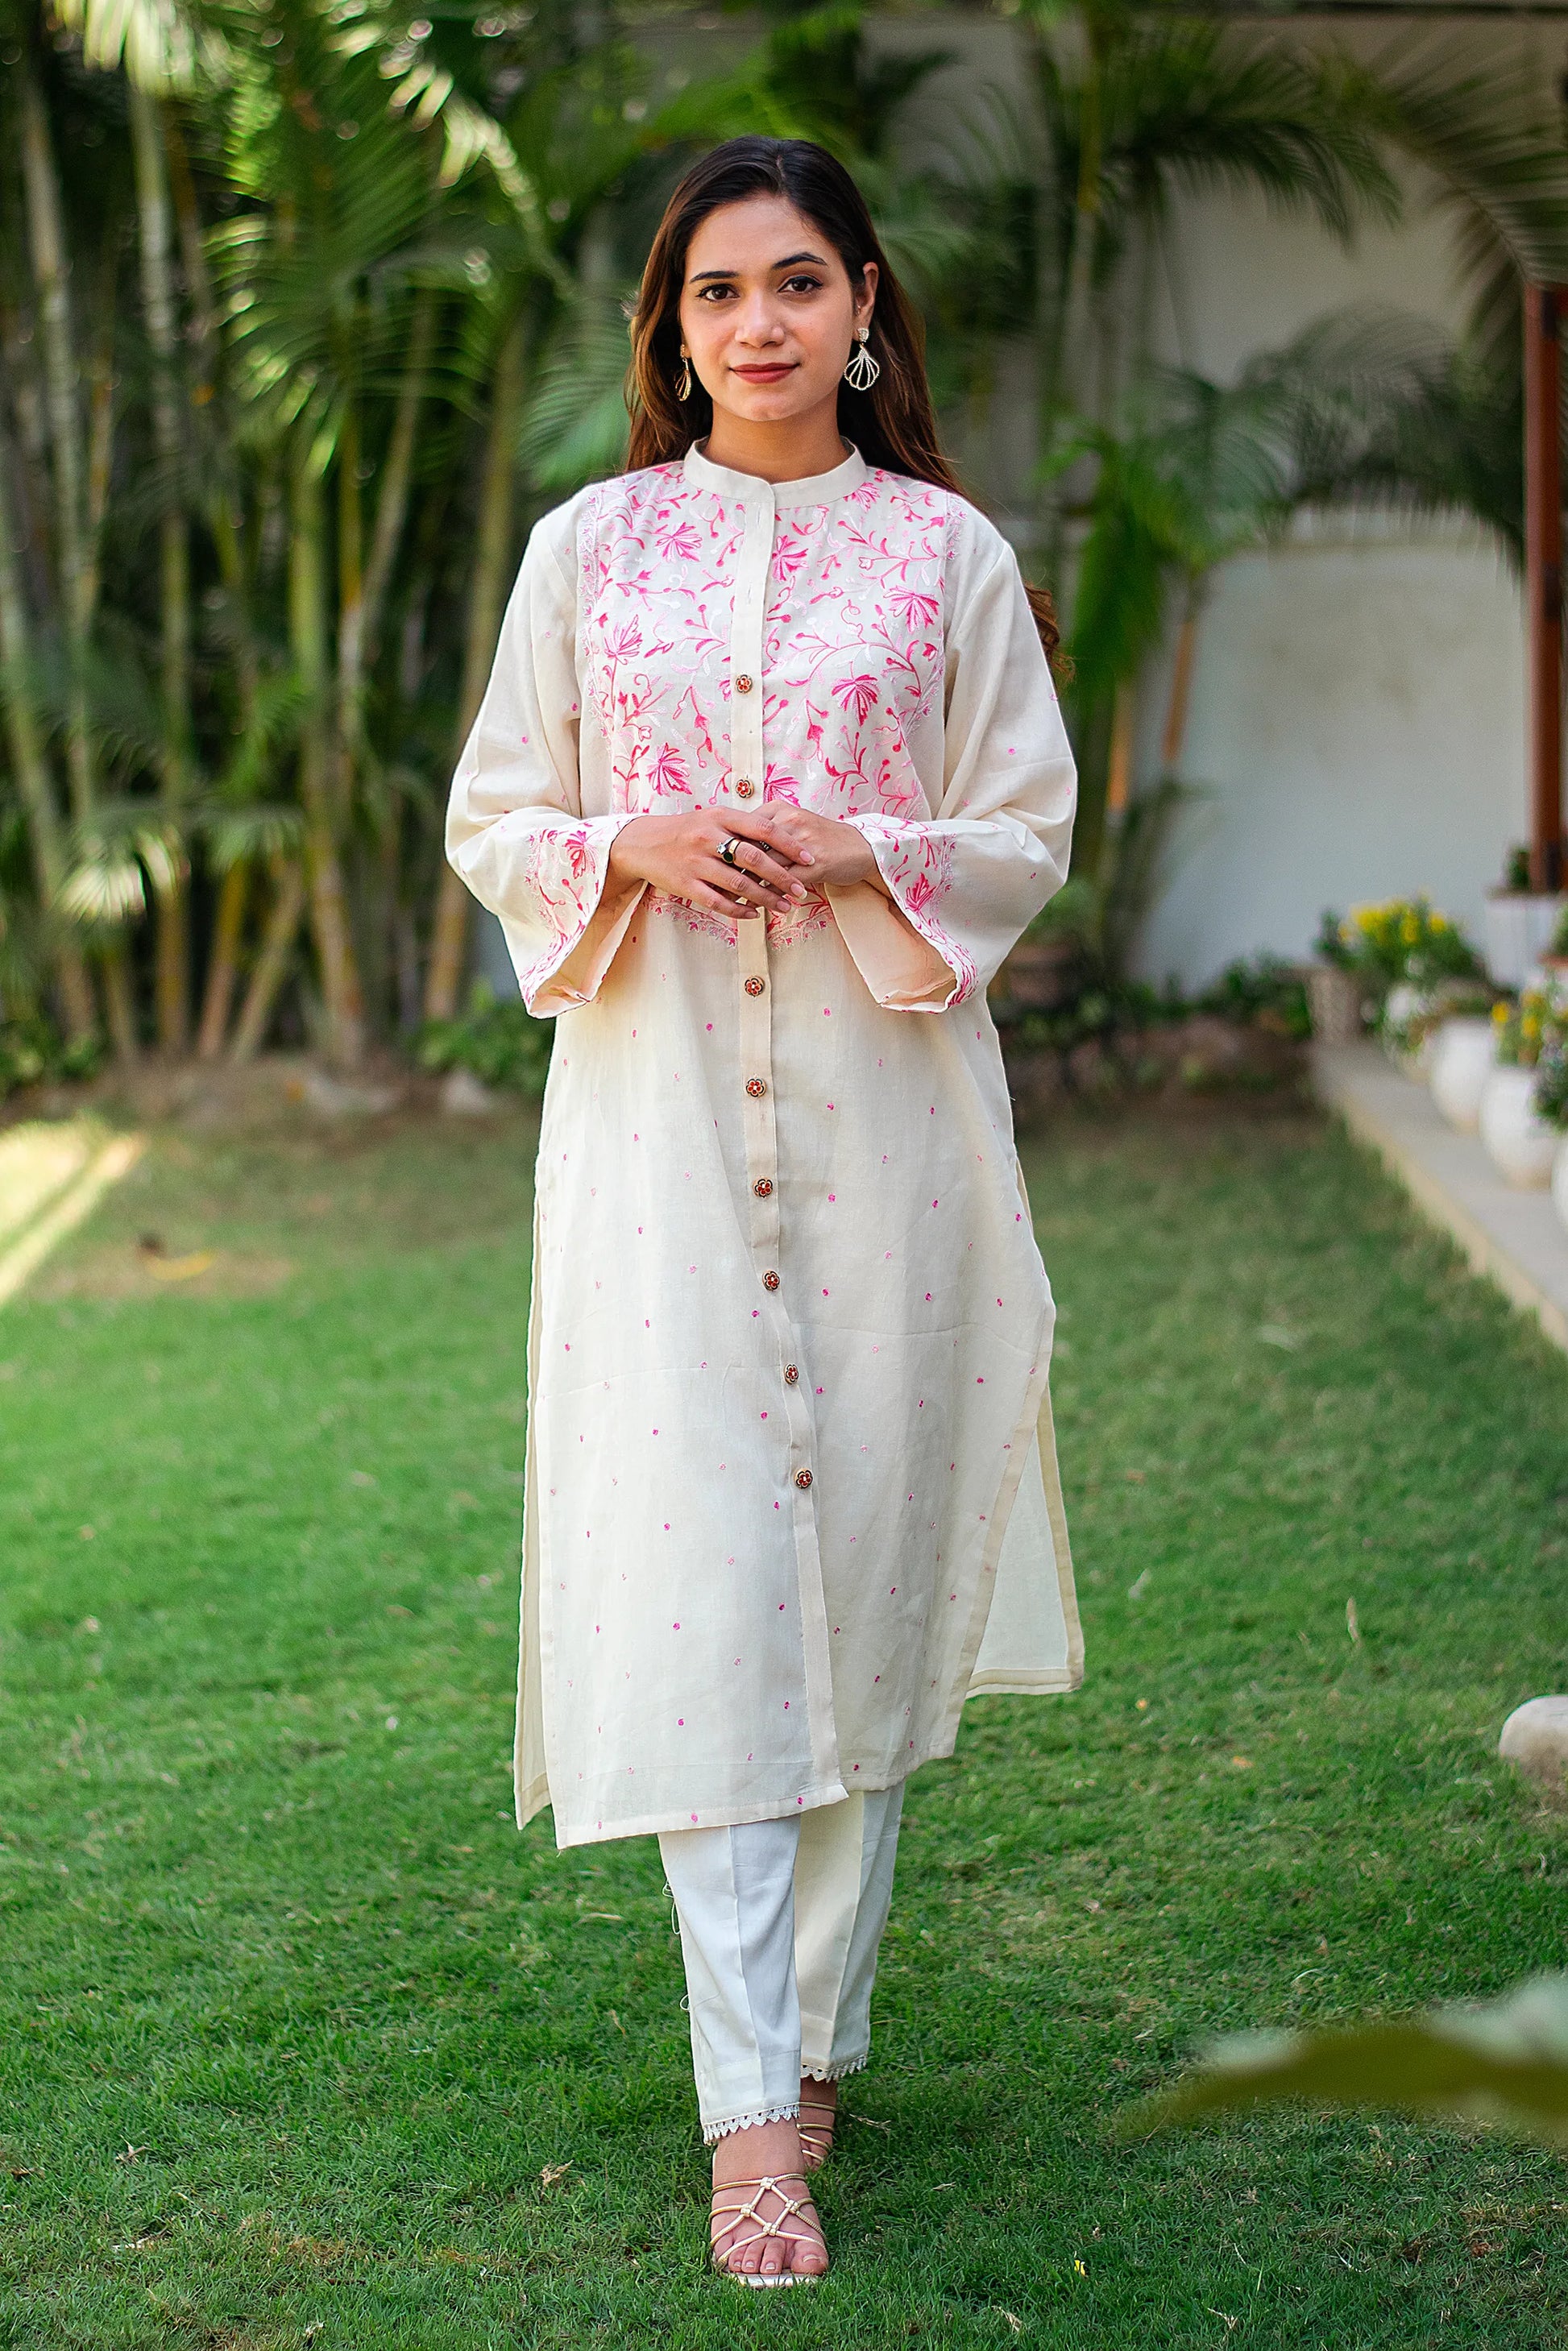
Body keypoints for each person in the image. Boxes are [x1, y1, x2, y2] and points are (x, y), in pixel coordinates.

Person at [446, 134, 1082, 2287]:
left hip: (886, 1125)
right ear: (672, 325)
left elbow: (1023, 825)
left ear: (864, 303)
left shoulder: (941, 556)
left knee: (869, 1561)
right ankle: (748, 2125)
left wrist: (845, 843)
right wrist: (629, 841)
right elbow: (492, 812)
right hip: (648, 1155)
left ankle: (814, 2033)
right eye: (717, 293)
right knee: (708, 1582)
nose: (759, 325)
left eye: (796, 283)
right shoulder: (587, 549)